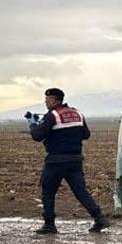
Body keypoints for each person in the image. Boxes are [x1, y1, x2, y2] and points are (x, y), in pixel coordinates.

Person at [27, 88, 110, 234]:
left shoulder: (52, 115)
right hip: (75, 160)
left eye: (46, 100)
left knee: (48, 191)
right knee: (80, 191)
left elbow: (37, 136)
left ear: (53, 100)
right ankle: (99, 218)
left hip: (55, 161)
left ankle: (49, 224)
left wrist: (33, 123)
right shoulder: (77, 113)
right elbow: (86, 134)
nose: (45, 102)